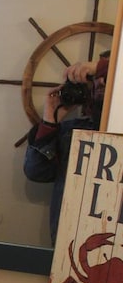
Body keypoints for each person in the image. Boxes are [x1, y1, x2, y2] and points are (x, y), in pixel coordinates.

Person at [23, 51, 110, 244]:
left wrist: (101, 68)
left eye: (109, 78)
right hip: (70, 243)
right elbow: (36, 172)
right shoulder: (72, 131)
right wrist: (50, 118)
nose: (102, 84)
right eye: (98, 80)